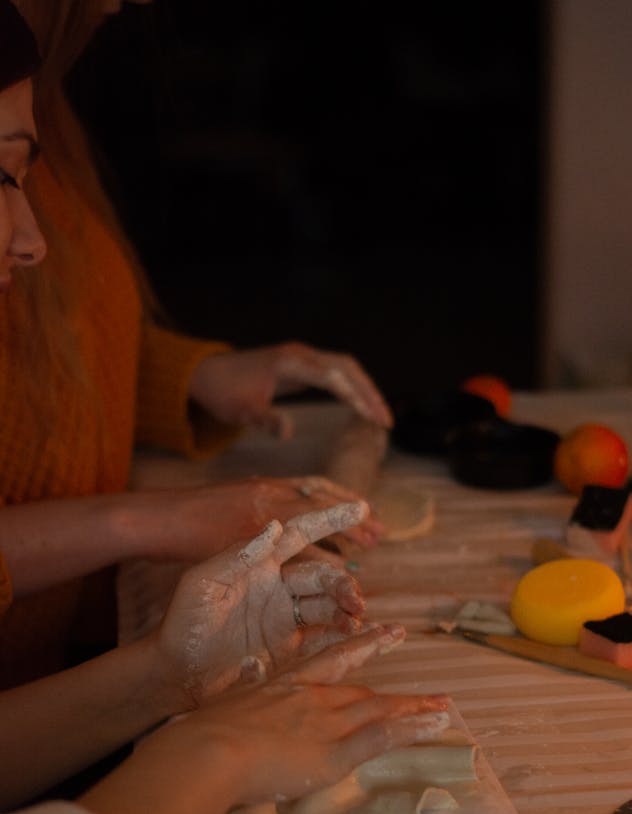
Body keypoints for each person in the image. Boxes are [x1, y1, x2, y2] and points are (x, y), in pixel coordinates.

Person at [0, 12, 451, 814]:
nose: (32, 240)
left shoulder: (39, 81)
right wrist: (211, 747)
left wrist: (164, 679)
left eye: (22, 178)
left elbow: (72, 332)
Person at [0, 0, 394, 690]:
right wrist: (157, 519)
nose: (119, 7)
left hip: (54, 656)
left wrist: (194, 376)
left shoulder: (34, 100)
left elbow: (54, 336)